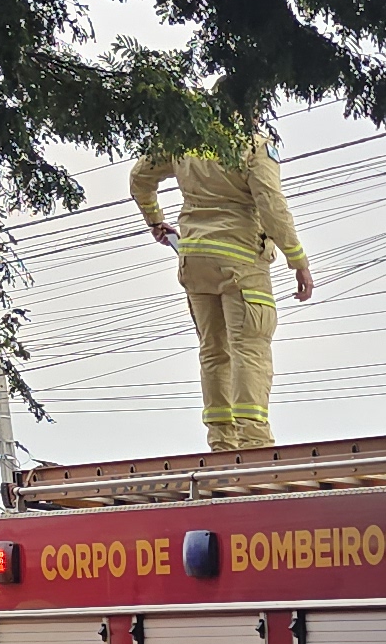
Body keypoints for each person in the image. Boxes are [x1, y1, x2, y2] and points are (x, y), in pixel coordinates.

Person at [126, 127, 312, 450]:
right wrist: (297, 259)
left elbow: (139, 178)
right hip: (241, 263)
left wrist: (155, 219)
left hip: (194, 259)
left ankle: (222, 442)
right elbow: (271, 204)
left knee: (213, 351)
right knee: (249, 347)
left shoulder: (185, 136)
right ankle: (254, 441)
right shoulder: (254, 146)